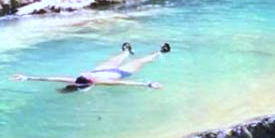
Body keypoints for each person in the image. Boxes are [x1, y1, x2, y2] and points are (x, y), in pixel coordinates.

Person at [12, 42, 171, 91]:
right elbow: (52, 78)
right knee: (122, 58)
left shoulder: (100, 82)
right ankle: (127, 51)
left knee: (140, 61)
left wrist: (148, 84)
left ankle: (158, 52)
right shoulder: (76, 80)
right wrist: (27, 78)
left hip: (119, 72)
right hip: (101, 70)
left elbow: (125, 83)